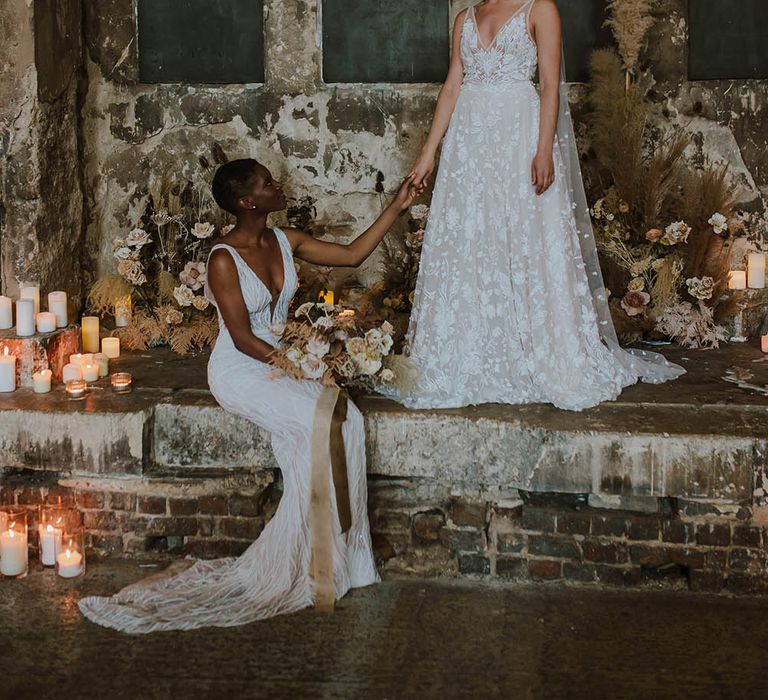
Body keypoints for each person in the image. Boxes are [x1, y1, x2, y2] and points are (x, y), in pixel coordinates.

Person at [78, 159, 418, 634]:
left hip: (286, 357)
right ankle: (315, 563)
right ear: (247, 202)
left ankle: (341, 561)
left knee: (346, 423)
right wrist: (306, 365)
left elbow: (354, 254)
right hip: (242, 368)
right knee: (322, 424)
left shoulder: (286, 239)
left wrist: (396, 206)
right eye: (267, 182)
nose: (277, 185)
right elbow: (240, 337)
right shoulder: (223, 258)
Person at [400, 0, 684, 411]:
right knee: (472, 239)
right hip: (470, 145)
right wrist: (428, 155)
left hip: (519, 136)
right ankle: (472, 349)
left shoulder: (540, 9)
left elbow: (551, 85)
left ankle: (540, 348)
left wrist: (544, 149)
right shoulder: (465, 19)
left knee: (527, 237)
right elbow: (452, 85)